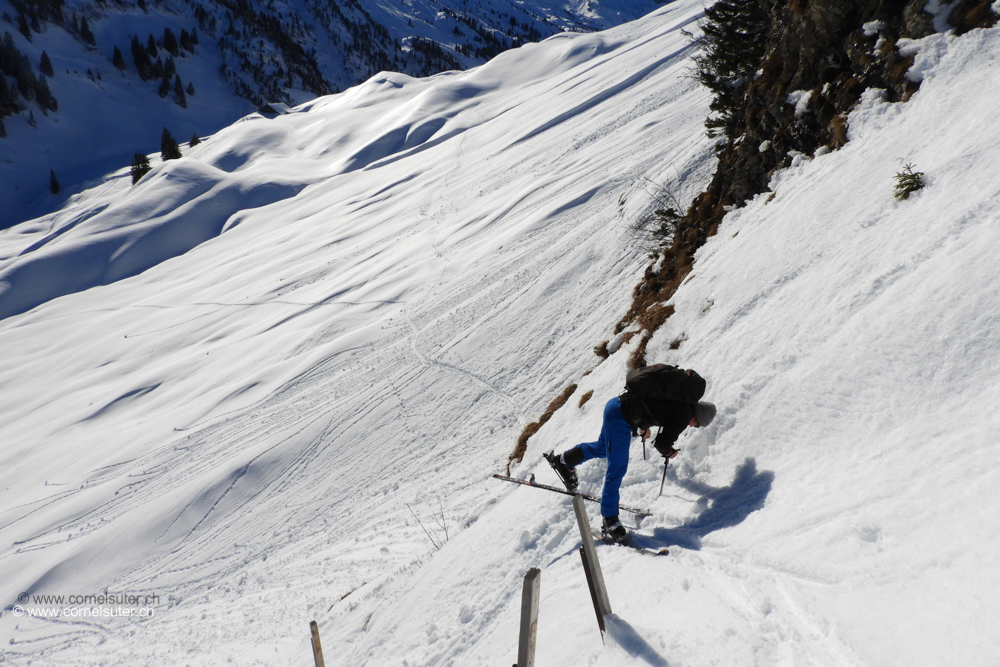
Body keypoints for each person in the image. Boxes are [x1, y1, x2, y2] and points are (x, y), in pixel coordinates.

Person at [545, 382, 716, 544]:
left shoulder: (681, 403)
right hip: (620, 418)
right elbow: (661, 443)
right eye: (698, 425)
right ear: (697, 416)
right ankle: (609, 519)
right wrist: (669, 452)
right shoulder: (683, 415)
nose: (694, 427)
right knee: (617, 467)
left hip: (615, 405)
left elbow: (653, 408)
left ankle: (564, 461)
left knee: (603, 447)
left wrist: (644, 426)